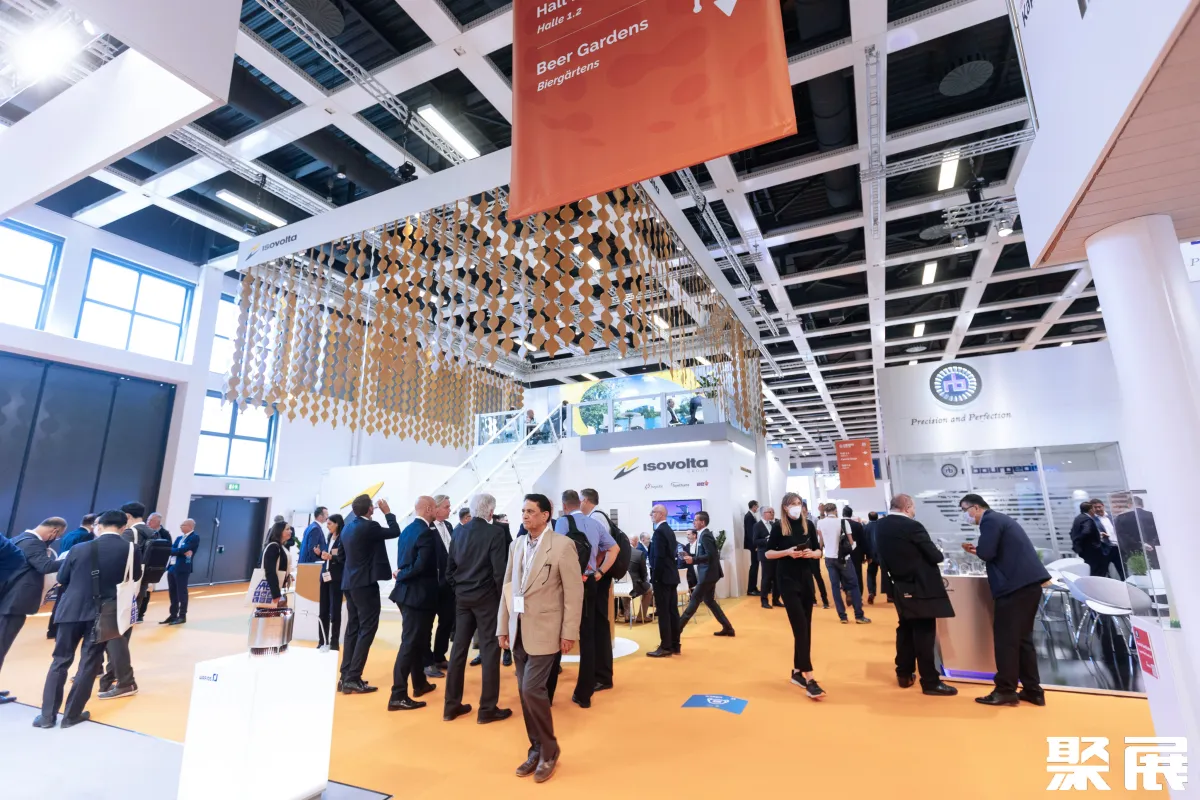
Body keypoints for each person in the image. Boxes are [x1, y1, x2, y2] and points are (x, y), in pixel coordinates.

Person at [497, 494, 583, 784]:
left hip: (547, 630)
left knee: (532, 689)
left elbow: (574, 594)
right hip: (518, 629)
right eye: (523, 511)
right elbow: (508, 588)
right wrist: (502, 626)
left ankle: (549, 748)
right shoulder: (517, 545)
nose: (525, 516)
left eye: (531, 511)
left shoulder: (562, 545)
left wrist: (568, 632)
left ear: (546, 515)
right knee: (525, 693)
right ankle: (536, 748)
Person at [34, 510, 142, 729]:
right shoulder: (131, 549)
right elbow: (135, 576)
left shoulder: (79, 548)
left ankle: (46, 716)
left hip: (71, 610)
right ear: (124, 527)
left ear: (99, 526)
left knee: (60, 660)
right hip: (103, 613)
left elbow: (62, 578)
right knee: (89, 663)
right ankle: (71, 716)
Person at [959, 493, 1051, 707]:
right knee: (1023, 640)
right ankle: (1033, 690)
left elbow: (988, 552)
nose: (965, 515)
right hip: (1028, 585)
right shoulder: (1001, 519)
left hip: (1014, 587)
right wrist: (978, 551)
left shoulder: (989, 521)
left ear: (975, 508)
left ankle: (1005, 690)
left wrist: (978, 550)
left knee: (1006, 640)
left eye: (965, 511)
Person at [874, 495, 957, 696]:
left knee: (905, 628)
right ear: (907, 507)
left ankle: (904, 673)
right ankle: (930, 681)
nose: (914, 511)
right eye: (913, 507)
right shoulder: (912, 526)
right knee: (924, 633)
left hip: (899, 585)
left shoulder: (880, 526)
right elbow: (935, 555)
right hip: (921, 587)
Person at [444, 493, 512, 724]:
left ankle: (450, 706)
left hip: (462, 599)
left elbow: (450, 569)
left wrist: (459, 590)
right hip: (487, 600)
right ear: (491, 512)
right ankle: (487, 709)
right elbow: (499, 572)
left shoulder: (458, 532)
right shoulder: (495, 533)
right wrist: (502, 601)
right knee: (490, 650)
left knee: (458, 651)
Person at [553, 489, 616, 708]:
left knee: (557, 633)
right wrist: (599, 571)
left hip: (567, 584)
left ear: (564, 505)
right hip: (589, 582)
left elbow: (557, 554)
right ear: (579, 503)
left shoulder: (562, 523)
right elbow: (614, 549)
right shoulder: (595, 523)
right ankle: (584, 694)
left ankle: (548, 692)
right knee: (587, 637)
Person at [0, 518, 66, 704]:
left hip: (9, 601)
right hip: (13, 604)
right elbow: (45, 566)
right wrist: (70, 559)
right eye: (57, 536)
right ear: (54, 532)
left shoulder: (18, 539)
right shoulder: (33, 543)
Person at [339, 495, 401, 694]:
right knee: (367, 628)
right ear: (370, 509)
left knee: (353, 628)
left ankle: (345, 676)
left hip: (349, 583)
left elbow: (341, 556)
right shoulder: (370, 526)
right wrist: (388, 513)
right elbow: (395, 531)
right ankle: (353, 677)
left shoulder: (347, 528)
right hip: (365, 584)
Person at [767, 493, 826, 700]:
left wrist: (811, 553)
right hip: (787, 580)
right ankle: (810, 678)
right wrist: (787, 552)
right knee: (800, 627)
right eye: (792, 504)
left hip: (806, 579)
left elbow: (819, 551)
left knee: (805, 627)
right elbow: (768, 553)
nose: (796, 507)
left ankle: (797, 671)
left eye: (799, 503)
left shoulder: (807, 525)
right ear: (785, 507)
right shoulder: (778, 527)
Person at [389, 496, 440, 711]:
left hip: (407, 594)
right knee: (409, 643)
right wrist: (401, 575)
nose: (437, 511)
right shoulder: (425, 533)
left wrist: (401, 574)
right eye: (435, 508)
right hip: (417, 596)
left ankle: (419, 684)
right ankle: (398, 694)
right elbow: (421, 565)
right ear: (428, 509)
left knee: (417, 641)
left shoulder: (408, 530)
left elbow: (406, 561)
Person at [98, 501, 153, 699]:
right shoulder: (154, 533)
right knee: (122, 634)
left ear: (127, 517)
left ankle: (117, 678)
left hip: (118, 591)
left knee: (113, 635)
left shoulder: (130, 535)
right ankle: (112, 677)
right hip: (136, 590)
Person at [579, 487, 621, 695]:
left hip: (599, 578)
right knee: (597, 625)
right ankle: (600, 674)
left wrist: (598, 571)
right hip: (599, 577)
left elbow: (605, 548)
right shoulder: (597, 517)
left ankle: (603, 675)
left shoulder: (596, 518)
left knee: (599, 626)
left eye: (580, 500)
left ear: (586, 500)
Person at [679, 512, 735, 637]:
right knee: (709, 601)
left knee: (694, 599)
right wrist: (692, 557)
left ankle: (677, 630)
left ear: (702, 522)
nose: (693, 522)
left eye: (695, 520)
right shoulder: (703, 534)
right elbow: (706, 554)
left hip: (707, 575)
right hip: (708, 574)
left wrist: (694, 559)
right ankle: (728, 628)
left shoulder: (705, 535)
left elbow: (711, 555)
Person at [816, 503, 870, 624]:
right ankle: (859, 615)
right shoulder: (843, 522)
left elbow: (821, 541)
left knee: (835, 587)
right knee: (854, 585)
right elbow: (851, 542)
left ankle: (842, 616)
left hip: (829, 558)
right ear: (836, 510)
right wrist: (853, 547)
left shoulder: (820, 523)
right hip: (844, 558)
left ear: (825, 511)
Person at [424, 494, 456, 679]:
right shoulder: (427, 528)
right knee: (427, 625)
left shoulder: (449, 526)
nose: (449, 509)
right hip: (433, 584)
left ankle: (439, 656)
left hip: (448, 583)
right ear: (435, 508)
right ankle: (427, 662)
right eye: (446, 506)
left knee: (447, 621)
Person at [646, 504, 681, 658]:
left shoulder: (659, 532)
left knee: (664, 613)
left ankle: (666, 646)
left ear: (660, 514)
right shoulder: (669, 530)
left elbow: (659, 558)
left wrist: (655, 578)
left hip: (663, 578)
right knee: (672, 611)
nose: (651, 515)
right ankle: (675, 644)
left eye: (653, 512)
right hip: (671, 576)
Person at [160, 519, 199, 625]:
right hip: (172, 567)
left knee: (181, 592)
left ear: (190, 526)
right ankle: (173, 615)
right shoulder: (179, 538)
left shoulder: (194, 537)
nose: (181, 526)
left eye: (183, 525)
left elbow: (184, 549)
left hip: (182, 568)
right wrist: (178, 551)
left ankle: (182, 615)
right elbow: (172, 550)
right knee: (172, 592)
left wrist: (177, 551)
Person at [317, 514, 345, 649]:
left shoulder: (343, 538)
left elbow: (343, 558)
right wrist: (321, 554)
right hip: (325, 576)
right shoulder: (329, 537)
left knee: (335, 611)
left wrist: (331, 557)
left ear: (337, 524)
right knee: (323, 610)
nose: (327, 526)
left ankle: (334, 642)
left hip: (336, 578)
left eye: (329, 523)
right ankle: (322, 640)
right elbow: (328, 556)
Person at [803, 500, 829, 608]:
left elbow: (816, 537)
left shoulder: (811, 521)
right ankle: (812, 599)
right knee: (807, 578)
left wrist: (818, 550)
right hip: (803, 554)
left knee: (817, 576)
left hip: (813, 552)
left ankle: (825, 600)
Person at [259, 521, 292, 607]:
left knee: (279, 613)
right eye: (287, 529)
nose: (290, 531)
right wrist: (276, 594)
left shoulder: (281, 546)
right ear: (279, 531)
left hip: (279, 588)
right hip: (273, 590)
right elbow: (270, 570)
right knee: (270, 613)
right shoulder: (273, 547)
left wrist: (288, 575)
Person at [1091, 499, 1126, 580]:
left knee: (1123, 571)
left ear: (1103, 506)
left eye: (1099, 507)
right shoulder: (1092, 520)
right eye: (1095, 507)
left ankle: (1126, 586)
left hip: (1117, 548)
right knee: (1102, 573)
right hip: (1104, 549)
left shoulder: (1112, 517)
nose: (1098, 509)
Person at [843, 506, 869, 608]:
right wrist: (867, 554)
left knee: (844, 574)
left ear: (843, 514)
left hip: (843, 554)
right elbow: (863, 541)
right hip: (857, 554)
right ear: (851, 514)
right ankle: (858, 598)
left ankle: (848, 591)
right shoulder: (858, 525)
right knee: (858, 575)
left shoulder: (840, 524)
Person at [754, 507, 779, 609]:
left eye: (773, 512)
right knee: (766, 578)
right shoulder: (757, 525)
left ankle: (776, 599)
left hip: (776, 554)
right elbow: (755, 541)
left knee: (777, 578)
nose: (772, 513)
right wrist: (766, 540)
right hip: (764, 555)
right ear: (763, 513)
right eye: (770, 512)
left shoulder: (774, 524)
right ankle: (764, 601)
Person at [627, 532, 651, 603]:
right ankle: (641, 611)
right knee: (650, 588)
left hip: (620, 587)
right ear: (636, 542)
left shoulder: (618, 552)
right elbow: (644, 574)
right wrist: (644, 580)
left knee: (625, 594)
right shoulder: (639, 553)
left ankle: (625, 609)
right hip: (634, 586)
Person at [864, 511, 881, 604]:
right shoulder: (882, 527)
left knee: (871, 574)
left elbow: (863, 542)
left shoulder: (865, 527)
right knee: (886, 574)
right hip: (882, 555)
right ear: (877, 517)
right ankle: (890, 595)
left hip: (871, 555)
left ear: (869, 517)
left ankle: (871, 592)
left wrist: (865, 555)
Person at [743, 500, 760, 595]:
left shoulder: (751, 516)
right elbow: (750, 533)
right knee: (754, 566)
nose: (757, 508)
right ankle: (751, 589)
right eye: (757, 506)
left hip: (753, 545)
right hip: (753, 545)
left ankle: (754, 587)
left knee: (755, 565)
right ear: (753, 506)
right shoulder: (749, 516)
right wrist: (755, 545)